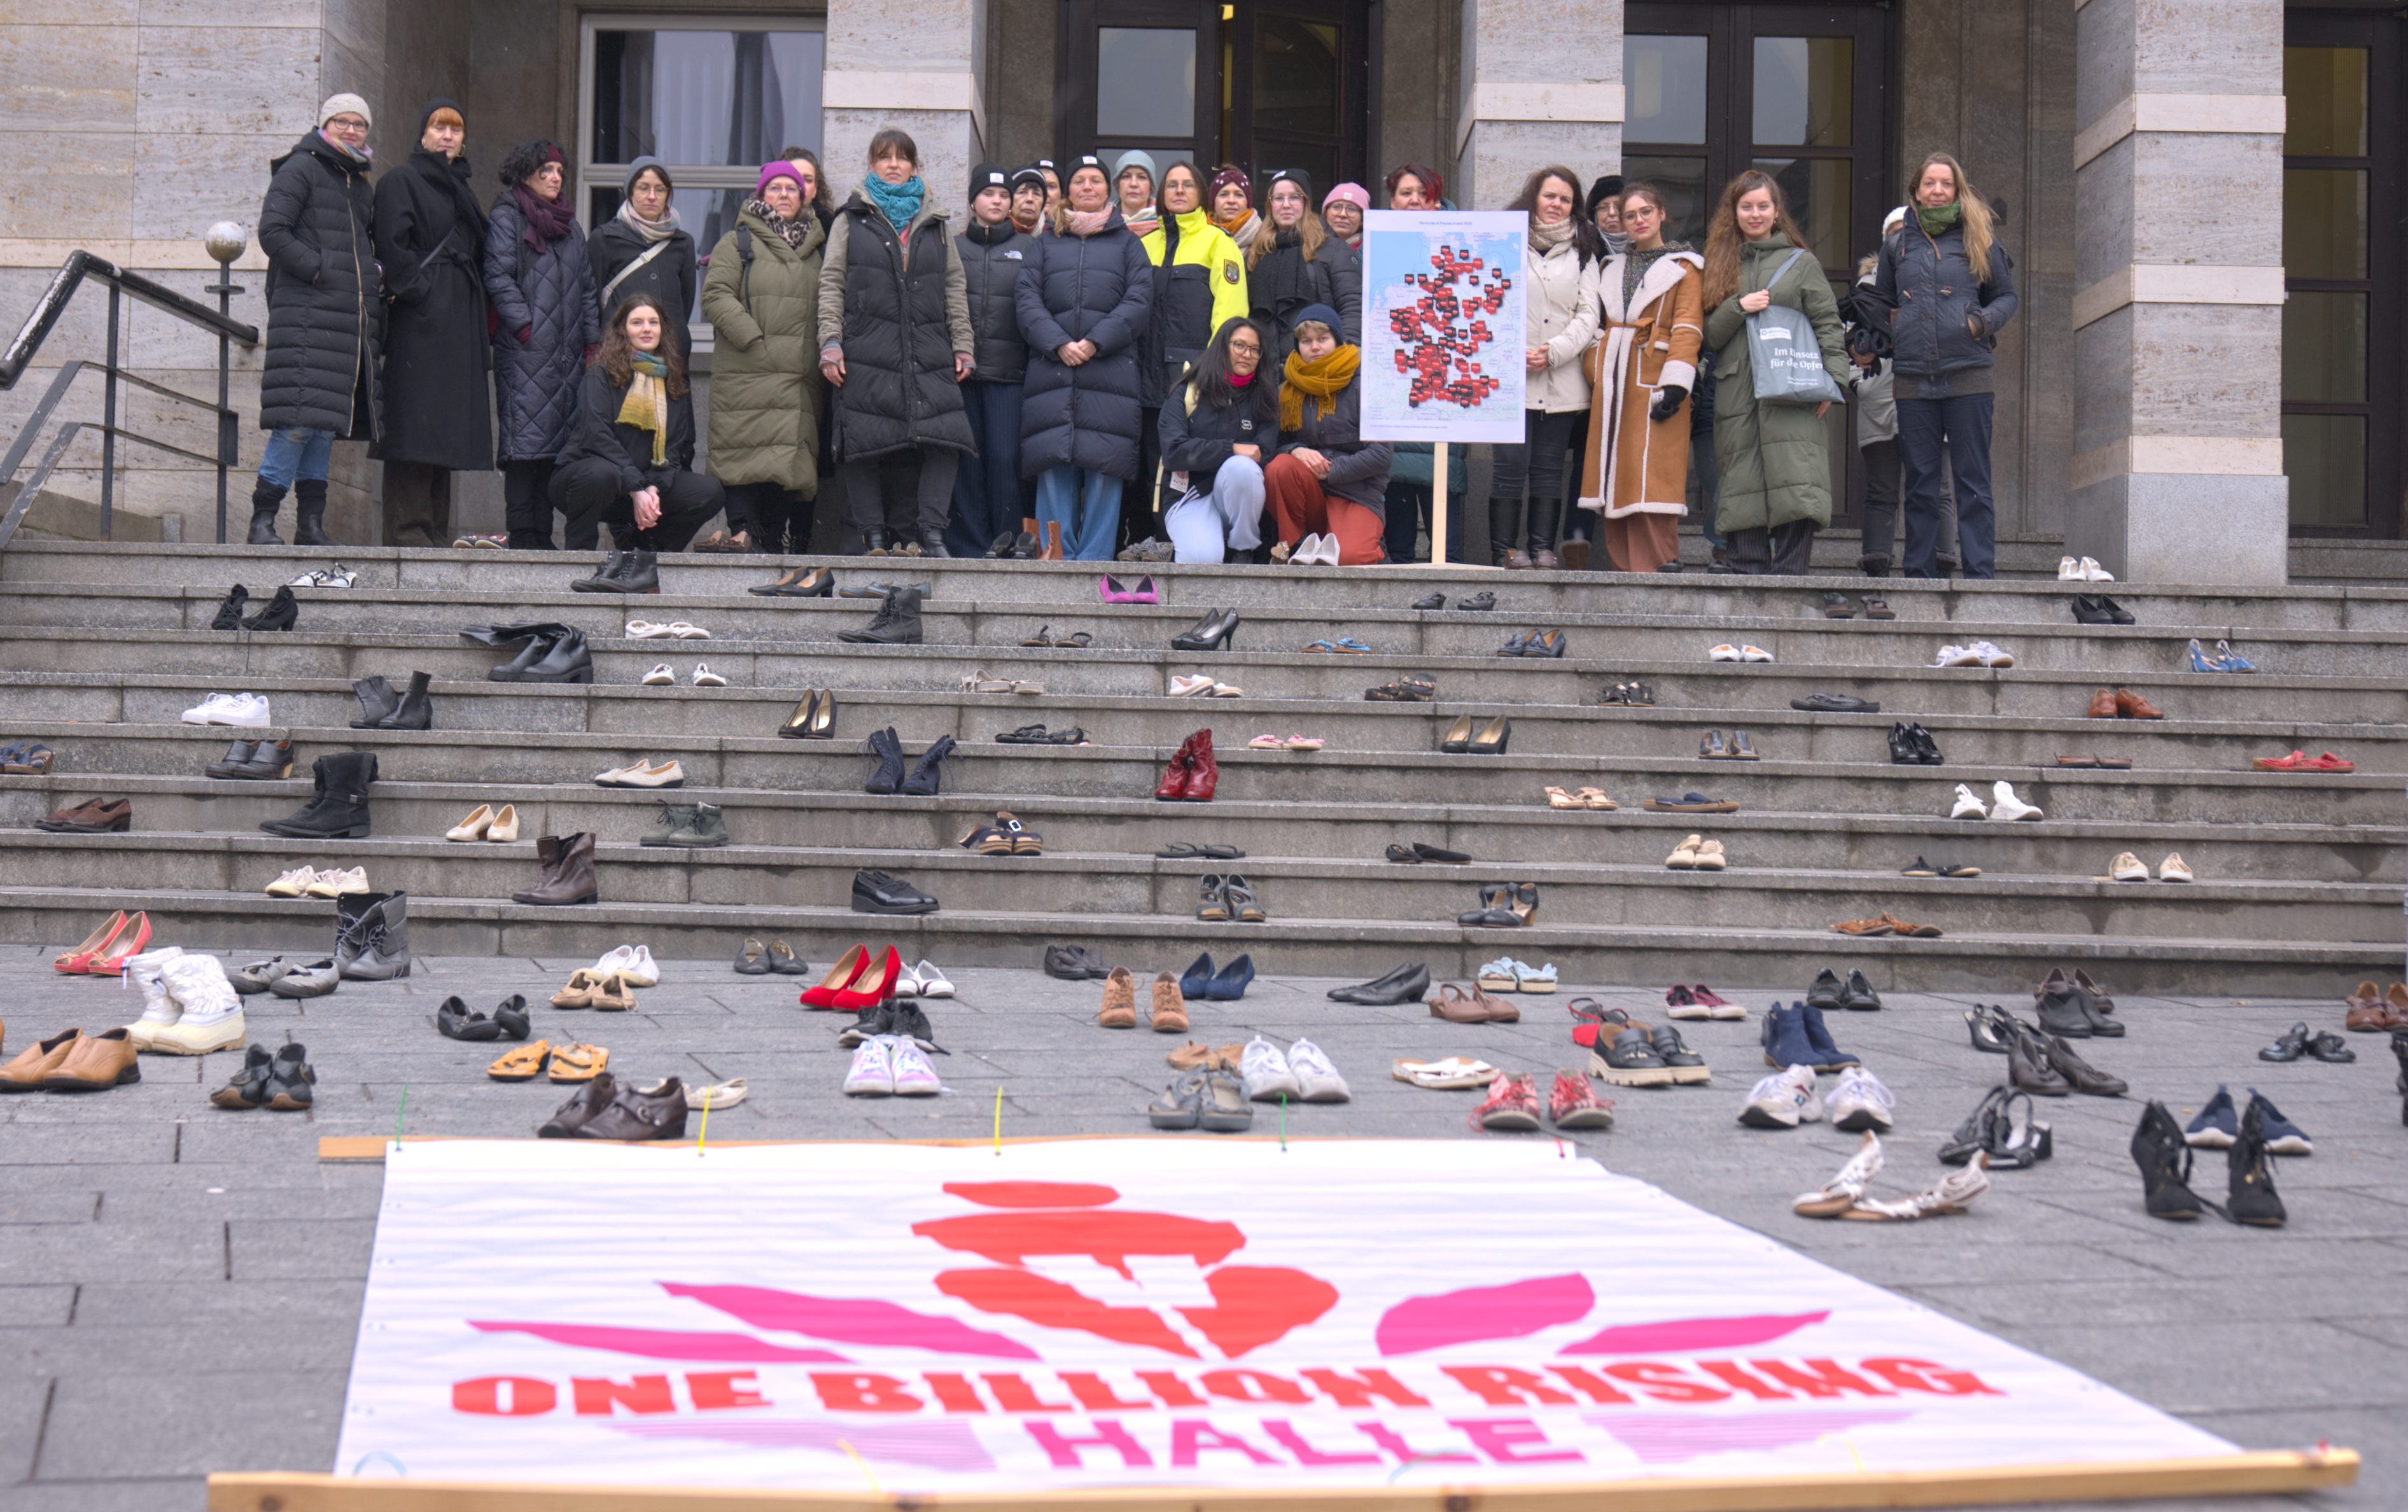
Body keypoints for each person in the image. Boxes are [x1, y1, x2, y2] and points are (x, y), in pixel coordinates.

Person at [818, 129, 977, 556]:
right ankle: (873, 536)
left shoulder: (937, 223)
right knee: (863, 442)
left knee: (947, 440)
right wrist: (830, 342)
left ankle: (931, 533)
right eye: (884, 157)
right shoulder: (851, 219)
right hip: (866, 347)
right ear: (871, 164)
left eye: (902, 157)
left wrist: (963, 345)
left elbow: (954, 288)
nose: (893, 164)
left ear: (914, 166)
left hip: (928, 350)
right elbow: (831, 282)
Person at [1862, 151, 2017, 580]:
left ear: (1957, 190)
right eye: (1929, 183)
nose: (1937, 191)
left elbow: (2007, 297)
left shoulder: (1980, 240)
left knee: (1972, 481)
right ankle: (1919, 573)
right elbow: (1883, 305)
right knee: (1921, 483)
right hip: (1913, 377)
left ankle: (1980, 573)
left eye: (1946, 184)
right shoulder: (1897, 246)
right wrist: (1874, 340)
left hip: (1969, 371)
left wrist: (1980, 322)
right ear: (1916, 192)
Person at [1698, 169, 1849, 575]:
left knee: (1796, 479)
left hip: (1793, 388)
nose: (1755, 214)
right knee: (1743, 483)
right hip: (1738, 393)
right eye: (1746, 206)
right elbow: (1709, 335)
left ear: (1777, 211)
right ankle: (1748, 571)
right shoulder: (1718, 266)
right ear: (1734, 212)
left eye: (1763, 206)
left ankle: (1790, 574)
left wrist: (1834, 382)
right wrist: (1737, 306)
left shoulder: (1802, 263)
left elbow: (1828, 324)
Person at [250, 92, 382, 546]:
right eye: (342, 122)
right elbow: (272, 232)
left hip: (342, 323)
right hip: (306, 318)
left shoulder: (358, 184)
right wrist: (322, 269)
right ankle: (263, 521)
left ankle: (310, 526)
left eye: (359, 124)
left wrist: (368, 278)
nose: (351, 130)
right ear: (324, 126)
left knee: (324, 427)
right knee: (296, 424)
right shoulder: (301, 168)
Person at [1015, 154, 1153, 560]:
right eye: (1079, 181)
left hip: (1109, 373)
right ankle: (1055, 556)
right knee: (1053, 463)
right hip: (1053, 372)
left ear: (1106, 190)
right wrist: (1058, 343)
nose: (1087, 187)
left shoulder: (1129, 244)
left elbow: (1140, 300)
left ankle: (1093, 560)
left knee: (1104, 468)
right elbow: (1026, 300)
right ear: (1068, 191)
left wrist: (1094, 342)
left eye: (1095, 180)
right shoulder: (1045, 244)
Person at [371, 97, 487, 550]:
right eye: (439, 128)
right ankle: (408, 535)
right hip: (420, 323)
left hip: (456, 324)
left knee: (443, 432)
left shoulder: (461, 189)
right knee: (414, 427)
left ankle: (435, 534)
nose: (447, 136)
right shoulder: (402, 180)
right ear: (422, 135)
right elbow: (392, 246)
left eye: (455, 130)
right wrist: (422, 293)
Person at [699, 160, 826, 554]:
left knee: (785, 461)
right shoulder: (737, 241)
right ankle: (742, 532)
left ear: (804, 197)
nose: (784, 195)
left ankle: (770, 540)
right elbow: (715, 295)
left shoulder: (818, 247)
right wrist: (752, 338)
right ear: (761, 195)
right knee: (741, 452)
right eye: (775, 189)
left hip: (797, 375)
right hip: (747, 368)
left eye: (792, 189)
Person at [1579, 181, 1702, 575]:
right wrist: (1597, 364)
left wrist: (1677, 384)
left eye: (1645, 212)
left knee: (1653, 479)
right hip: (1614, 381)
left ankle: (1660, 569)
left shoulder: (1686, 267)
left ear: (1661, 214)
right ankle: (1625, 573)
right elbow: (1593, 325)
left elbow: (1687, 328)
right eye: (1630, 216)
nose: (1638, 221)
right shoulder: (1609, 267)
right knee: (1616, 480)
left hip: (1658, 378)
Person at [484, 139, 598, 550]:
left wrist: (591, 344)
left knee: (553, 448)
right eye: (545, 171)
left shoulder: (571, 227)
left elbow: (587, 289)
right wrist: (526, 328)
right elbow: (498, 276)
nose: (554, 178)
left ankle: (542, 534)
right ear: (526, 174)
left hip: (566, 357)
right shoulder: (507, 216)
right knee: (522, 449)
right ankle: (522, 534)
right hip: (525, 352)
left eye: (559, 172)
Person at [549, 293, 724, 552]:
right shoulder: (600, 374)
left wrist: (652, 489)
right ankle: (579, 552)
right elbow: (596, 437)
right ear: (622, 329)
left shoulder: (672, 382)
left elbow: (672, 453)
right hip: (586, 483)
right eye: (637, 322)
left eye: (653, 322)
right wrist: (636, 489)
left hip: (640, 487)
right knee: (602, 474)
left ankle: (647, 549)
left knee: (710, 492)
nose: (646, 329)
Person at [1488, 166, 1599, 569]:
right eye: (1550, 196)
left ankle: (1541, 548)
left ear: (1575, 206)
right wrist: (1514, 351)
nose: (1556, 205)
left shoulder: (1585, 250)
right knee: (1510, 467)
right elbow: (1485, 302)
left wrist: (1551, 351)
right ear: (1534, 196)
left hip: (1562, 377)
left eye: (1565, 200)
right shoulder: (1503, 243)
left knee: (1549, 468)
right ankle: (1505, 550)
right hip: (1509, 376)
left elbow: (1589, 316)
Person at [1134, 160, 1249, 542]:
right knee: (1146, 463)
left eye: (1187, 185)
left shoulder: (1220, 242)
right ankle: (1146, 540)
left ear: (1201, 193)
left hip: (1191, 378)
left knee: (1178, 465)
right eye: (1172, 185)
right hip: (1140, 376)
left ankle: (1178, 540)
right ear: (1161, 195)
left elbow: (1231, 317)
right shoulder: (1142, 244)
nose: (1179, 191)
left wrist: (1211, 371)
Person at [949, 163, 1039, 557]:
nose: (998, 201)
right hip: (961, 375)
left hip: (1011, 373)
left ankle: (1007, 540)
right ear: (973, 201)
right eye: (989, 194)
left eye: (1005, 196)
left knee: (1006, 460)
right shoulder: (951, 246)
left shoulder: (1032, 250)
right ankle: (969, 544)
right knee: (967, 461)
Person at [1376, 161, 1462, 565]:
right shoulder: (1375, 246)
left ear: (1436, 200)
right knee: (1397, 477)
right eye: (1405, 194)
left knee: (1444, 474)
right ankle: (1402, 564)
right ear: (1391, 203)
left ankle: (1450, 569)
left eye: (1421, 194)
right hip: (1393, 375)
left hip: (1447, 375)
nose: (1413, 201)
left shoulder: (1464, 241)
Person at [1264, 305, 1390, 564]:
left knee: (1351, 557)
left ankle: (1375, 548)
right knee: (1279, 467)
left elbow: (1382, 455)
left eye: (1323, 339)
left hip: (1356, 492)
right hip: (1310, 493)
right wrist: (1294, 450)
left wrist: (1330, 470)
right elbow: (1269, 446)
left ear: (1337, 340)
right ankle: (1295, 545)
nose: (1315, 347)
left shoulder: (1365, 386)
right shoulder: (1284, 391)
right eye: (1306, 341)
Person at [1159, 317, 1278, 562]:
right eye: (1239, 346)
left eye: (1255, 349)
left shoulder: (1264, 398)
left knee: (1243, 469)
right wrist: (1230, 449)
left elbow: (1263, 454)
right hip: (1189, 495)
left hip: (1236, 501)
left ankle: (1243, 549)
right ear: (1222, 346)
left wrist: (1232, 457)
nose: (1247, 354)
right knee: (1201, 561)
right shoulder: (1188, 391)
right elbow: (1173, 452)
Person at [587, 157, 697, 360]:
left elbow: (684, 304)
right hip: (620, 357)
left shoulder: (683, 244)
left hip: (672, 357)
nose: (652, 196)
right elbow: (590, 302)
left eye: (660, 189)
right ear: (630, 192)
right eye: (643, 188)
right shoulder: (605, 238)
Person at [1249, 169, 1361, 355]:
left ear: (1306, 202)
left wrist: (1344, 357)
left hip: (1318, 367)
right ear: (1270, 206)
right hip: (1266, 372)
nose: (1286, 205)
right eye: (1278, 198)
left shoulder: (1334, 249)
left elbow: (1352, 307)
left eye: (1294, 197)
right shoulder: (1256, 254)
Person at [778, 146, 838, 230]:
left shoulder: (832, 230)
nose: (801, 185)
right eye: (794, 178)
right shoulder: (758, 227)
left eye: (808, 180)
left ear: (815, 190)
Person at [1209, 166, 1263, 256]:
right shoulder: (1198, 239)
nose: (1231, 200)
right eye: (1224, 194)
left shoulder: (1265, 241)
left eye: (1239, 195)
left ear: (1248, 203)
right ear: (1214, 203)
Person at [1115, 150, 1161, 241]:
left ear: (1151, 187)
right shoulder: (1101, 225)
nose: (1134, 184)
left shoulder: (1166, 226)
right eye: (1126, 177)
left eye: (1142, 177)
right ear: (1118, 186)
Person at [1587, 174, 1628, 257]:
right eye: (1604, 208)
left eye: (1619, 206)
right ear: (1595, 216)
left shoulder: (1645, 245)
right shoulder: (1585, 249)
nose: (1612, 213)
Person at [1322, 182, 1369, 250]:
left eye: (1351, 209)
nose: (1343, 214)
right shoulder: (1310, 246)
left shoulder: (1369, 251)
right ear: (1326, 213)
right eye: (1337, 207)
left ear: (1362, 218)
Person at [1008, 166, 1049, 235]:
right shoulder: (994, 233)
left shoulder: (1054, 235)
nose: (1030, 199)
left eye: (1037, 194)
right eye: (1022, 193)